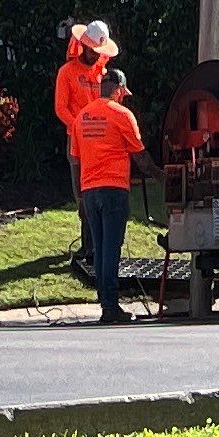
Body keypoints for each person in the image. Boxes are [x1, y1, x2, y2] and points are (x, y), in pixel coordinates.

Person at [74, 59, 144, 322]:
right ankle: (111, 306)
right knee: (111, 249)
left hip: (90, 192)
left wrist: (79, 196)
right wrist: (161, 176)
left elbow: (75, 159)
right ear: (119, 89)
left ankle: (106, 303)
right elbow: (140, 155)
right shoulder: (122, 115)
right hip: (113, 189)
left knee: (100, 248)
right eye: (123, 94)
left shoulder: (82, 117)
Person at [53, 16, 115, 278]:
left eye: (99, 50)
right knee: (82, 194)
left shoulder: (103, 73)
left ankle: (94, 245)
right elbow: (61, 108)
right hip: (78, 141)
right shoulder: (67, 72)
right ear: (84, 46)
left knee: (99, 192)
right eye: (92, 49)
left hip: (100, 143)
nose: (95, 54)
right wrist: (79, 126)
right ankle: (88, 245)